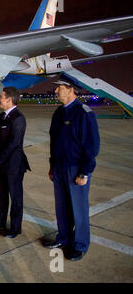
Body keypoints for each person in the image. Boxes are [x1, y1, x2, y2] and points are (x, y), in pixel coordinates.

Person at [42, 78, 100, 261]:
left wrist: (85, 171)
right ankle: (64, 238)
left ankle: (80, 245)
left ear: (71, 90)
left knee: (78, 208)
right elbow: (54, 142)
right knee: (62, 207)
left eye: (59, 88)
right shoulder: (58, 113)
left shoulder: (83, 113)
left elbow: (92, 146)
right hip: (59, 167)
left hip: (76, 168)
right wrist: (52, 166)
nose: (56, 91)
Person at [0, 87, 30, 238]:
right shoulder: (0, 117)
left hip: (13, 165)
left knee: (15, 197)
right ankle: (0, 221)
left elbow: (14, 143)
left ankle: (15, 228)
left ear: (9, 100)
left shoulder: (18, 118)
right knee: (1, 195)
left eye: (1, 97)